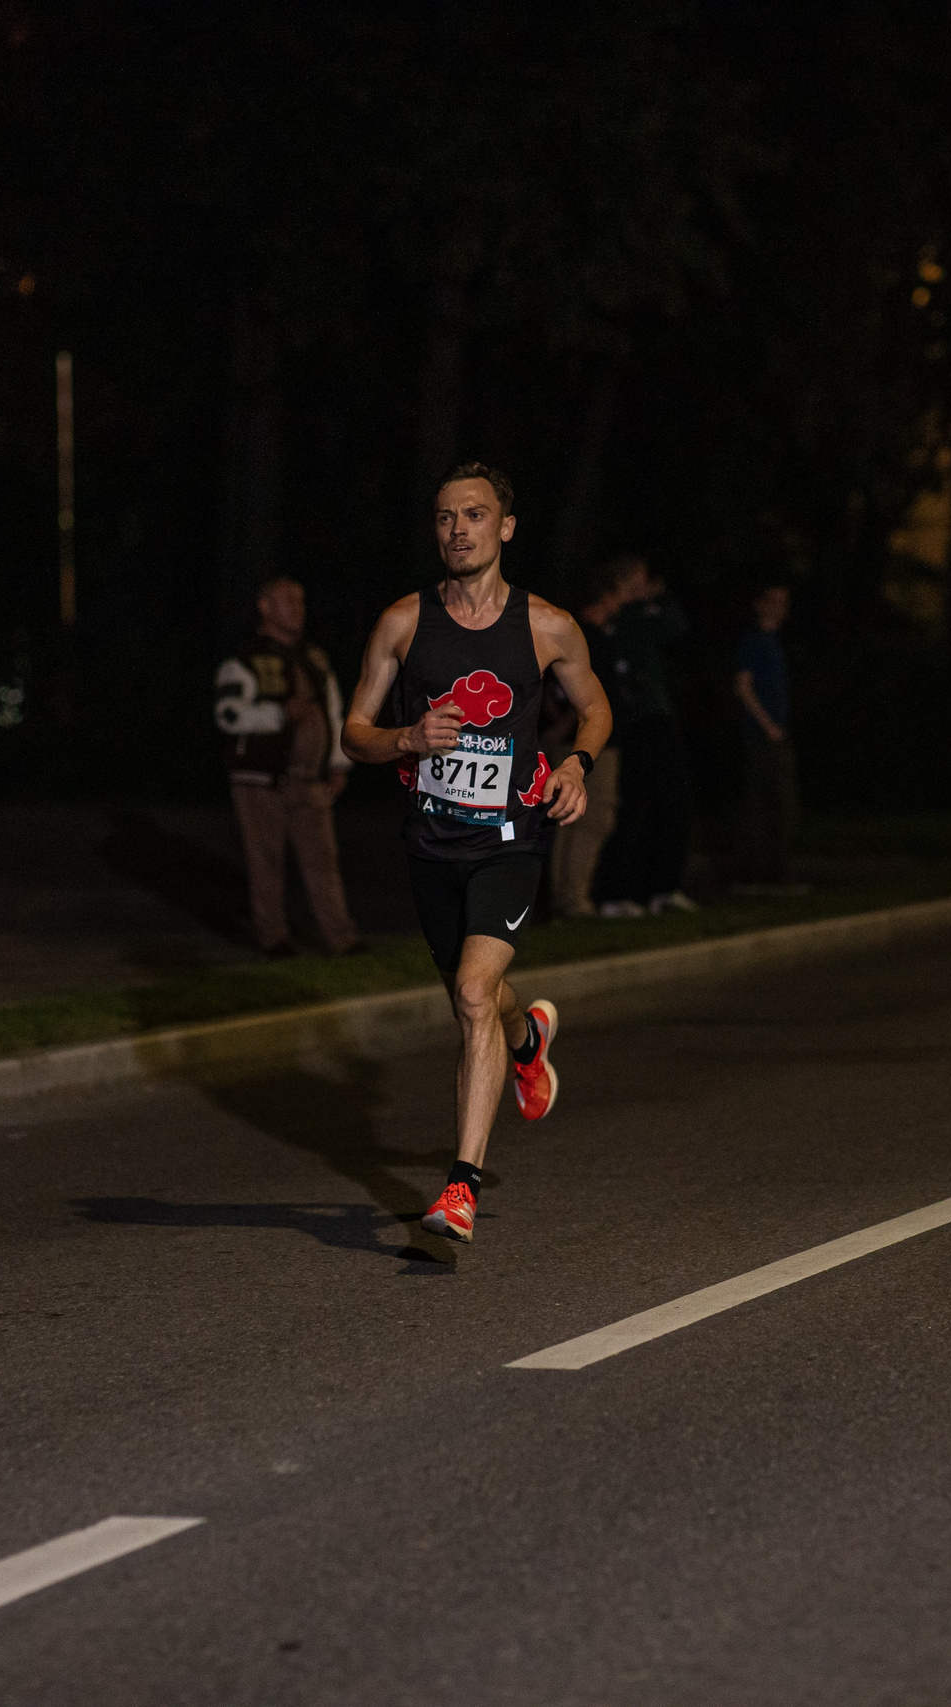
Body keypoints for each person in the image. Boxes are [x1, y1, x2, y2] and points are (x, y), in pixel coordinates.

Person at [342, 462, 611, 1246]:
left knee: (468, 993)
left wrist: (575, 765)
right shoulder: (401, 622)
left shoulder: (547, 624)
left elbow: (594, 709)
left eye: (474, 514)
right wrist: (404, 737)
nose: (457, 529)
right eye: (445, 517)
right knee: (480, 1001)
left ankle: (460, 1185)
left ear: (505, 527)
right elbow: (354, 729)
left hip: (509, 840)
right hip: (430, 844)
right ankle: (528, 1039)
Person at [214, 576, 361, 957]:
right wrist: (278, 715)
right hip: (261, 779)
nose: (298, 609)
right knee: (266, 860)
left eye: (301, 601)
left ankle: (340, 937)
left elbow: (333, 710)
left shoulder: (313, 657)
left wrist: (338, 762)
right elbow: (228, 715)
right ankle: (273, 937)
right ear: (265, 606)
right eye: (288, 601)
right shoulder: (244, 660)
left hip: (310, 779)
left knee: (323, 860)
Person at [593, 556, 694, 916]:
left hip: (650, 720)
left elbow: (677, 628)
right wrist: (658, 600)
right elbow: (674, 626)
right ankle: (620, 891)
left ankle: (658, 888)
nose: (646, 582)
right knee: (635, 806)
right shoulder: (625, 618)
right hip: (639, 723)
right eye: (639, 577)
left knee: (666, 803)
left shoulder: (635, 616)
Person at [543, 565, 626, 918]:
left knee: (568, 819)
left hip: (572, 741)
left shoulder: (577, 633)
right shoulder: (588, 636)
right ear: (606, 595)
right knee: (592, 819)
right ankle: (574, 902)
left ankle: (565, 898)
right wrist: (563, 726)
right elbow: (577, 696)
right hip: (591, 746)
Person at [731, 582, 803, 891]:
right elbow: (743, 685)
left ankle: (757, 873)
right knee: (778, 803)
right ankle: (766, 874)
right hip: (763, 736)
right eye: (772, 600)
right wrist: (768, 725)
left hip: (773, 733)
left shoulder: (774, 641)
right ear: (759, 604)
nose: (779, 607)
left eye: (784, 601)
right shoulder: (755, 641)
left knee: (768, 803)